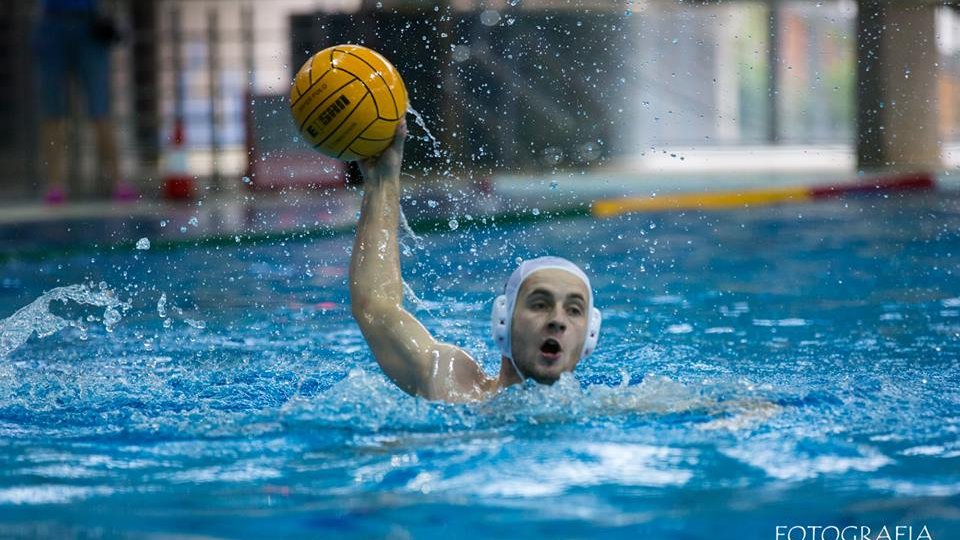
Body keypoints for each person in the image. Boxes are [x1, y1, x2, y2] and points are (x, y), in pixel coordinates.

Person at [349, 120, 602, 403]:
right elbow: (375, 305)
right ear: (503, 320)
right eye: (540, 304)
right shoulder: (451, 383)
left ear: (589, 336)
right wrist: (382, 182)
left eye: (574, 310)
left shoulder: (612, 409)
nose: (558, 320)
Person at [34, 0, 136, 204]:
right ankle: (54, 184)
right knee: (52, 112)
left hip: (89, 25)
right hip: (52, 25)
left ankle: (118, 182)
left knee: (100, 110)